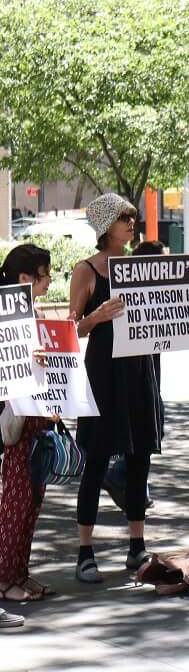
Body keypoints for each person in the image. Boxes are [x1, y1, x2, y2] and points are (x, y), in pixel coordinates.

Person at [71, 196, 165, 582]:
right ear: (106, 226)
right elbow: (72, 328)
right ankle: (85, 550)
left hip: (140, 368)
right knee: (96, 459)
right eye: (123, 219)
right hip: (104, 373)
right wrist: (97, 315)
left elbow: (162, 309)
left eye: (132, 218)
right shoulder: (87, 270)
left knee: (140, 453)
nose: (131, 224)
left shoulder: (137, 266)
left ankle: (136, 545)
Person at [0, 245, 54, 601]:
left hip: (36, 414)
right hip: (17, 416)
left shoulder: (29, 311)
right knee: (17, 502)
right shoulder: (7, 314)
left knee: (33, 499)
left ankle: (20, 571)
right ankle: (6, 578)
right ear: (25, 278)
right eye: (45, 273)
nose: (50, 279)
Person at [103, 239, 167, 513]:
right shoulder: (128, 294)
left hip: (151, 375)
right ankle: (121, 477)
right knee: (147, 428)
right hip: (134, 376)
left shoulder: (158, 293)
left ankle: (131, 483)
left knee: (153, 424)